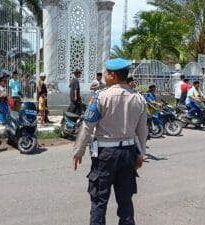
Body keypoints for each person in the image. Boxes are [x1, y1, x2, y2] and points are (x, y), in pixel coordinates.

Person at [73, 58, 147, 225]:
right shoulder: (139, 99)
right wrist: (141, 154)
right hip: (128, 154)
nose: (104, 76)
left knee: (99, 202)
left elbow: (87, 126)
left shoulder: (101, 97)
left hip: (105, 156)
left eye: (106, 73)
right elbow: (142, 131)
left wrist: (78, 152)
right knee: (126, 202)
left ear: (113, 75)